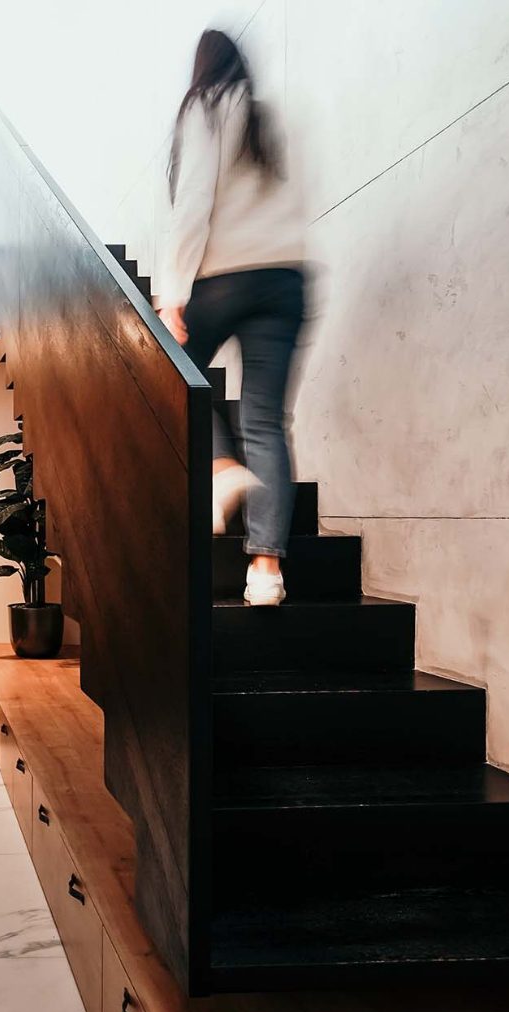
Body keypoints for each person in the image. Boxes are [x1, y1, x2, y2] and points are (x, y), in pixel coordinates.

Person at [158, 29, 305, 607]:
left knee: (180, 371)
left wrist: (173, 294)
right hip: (286, 281)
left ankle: (221, 467)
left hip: (225, 278)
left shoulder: (206, 105)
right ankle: (266, 571)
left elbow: (194, 201)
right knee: (266, 422)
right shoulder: (269, 119)